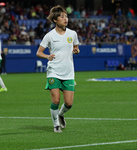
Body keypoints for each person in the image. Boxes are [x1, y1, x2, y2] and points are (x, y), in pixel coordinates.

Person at [36, 5, 80, 133]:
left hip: (68, 73)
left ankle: (60, 114)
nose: (65, 19)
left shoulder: (73, 33)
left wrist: (76, 50)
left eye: (66, 16)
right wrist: (47, 56)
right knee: (55, 99)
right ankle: (55, 124)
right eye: (62, 17)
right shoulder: (49, 36)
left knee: (69, 103)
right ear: (55, 20)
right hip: (53, 71)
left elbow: (76, 48)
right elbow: (39, 52)